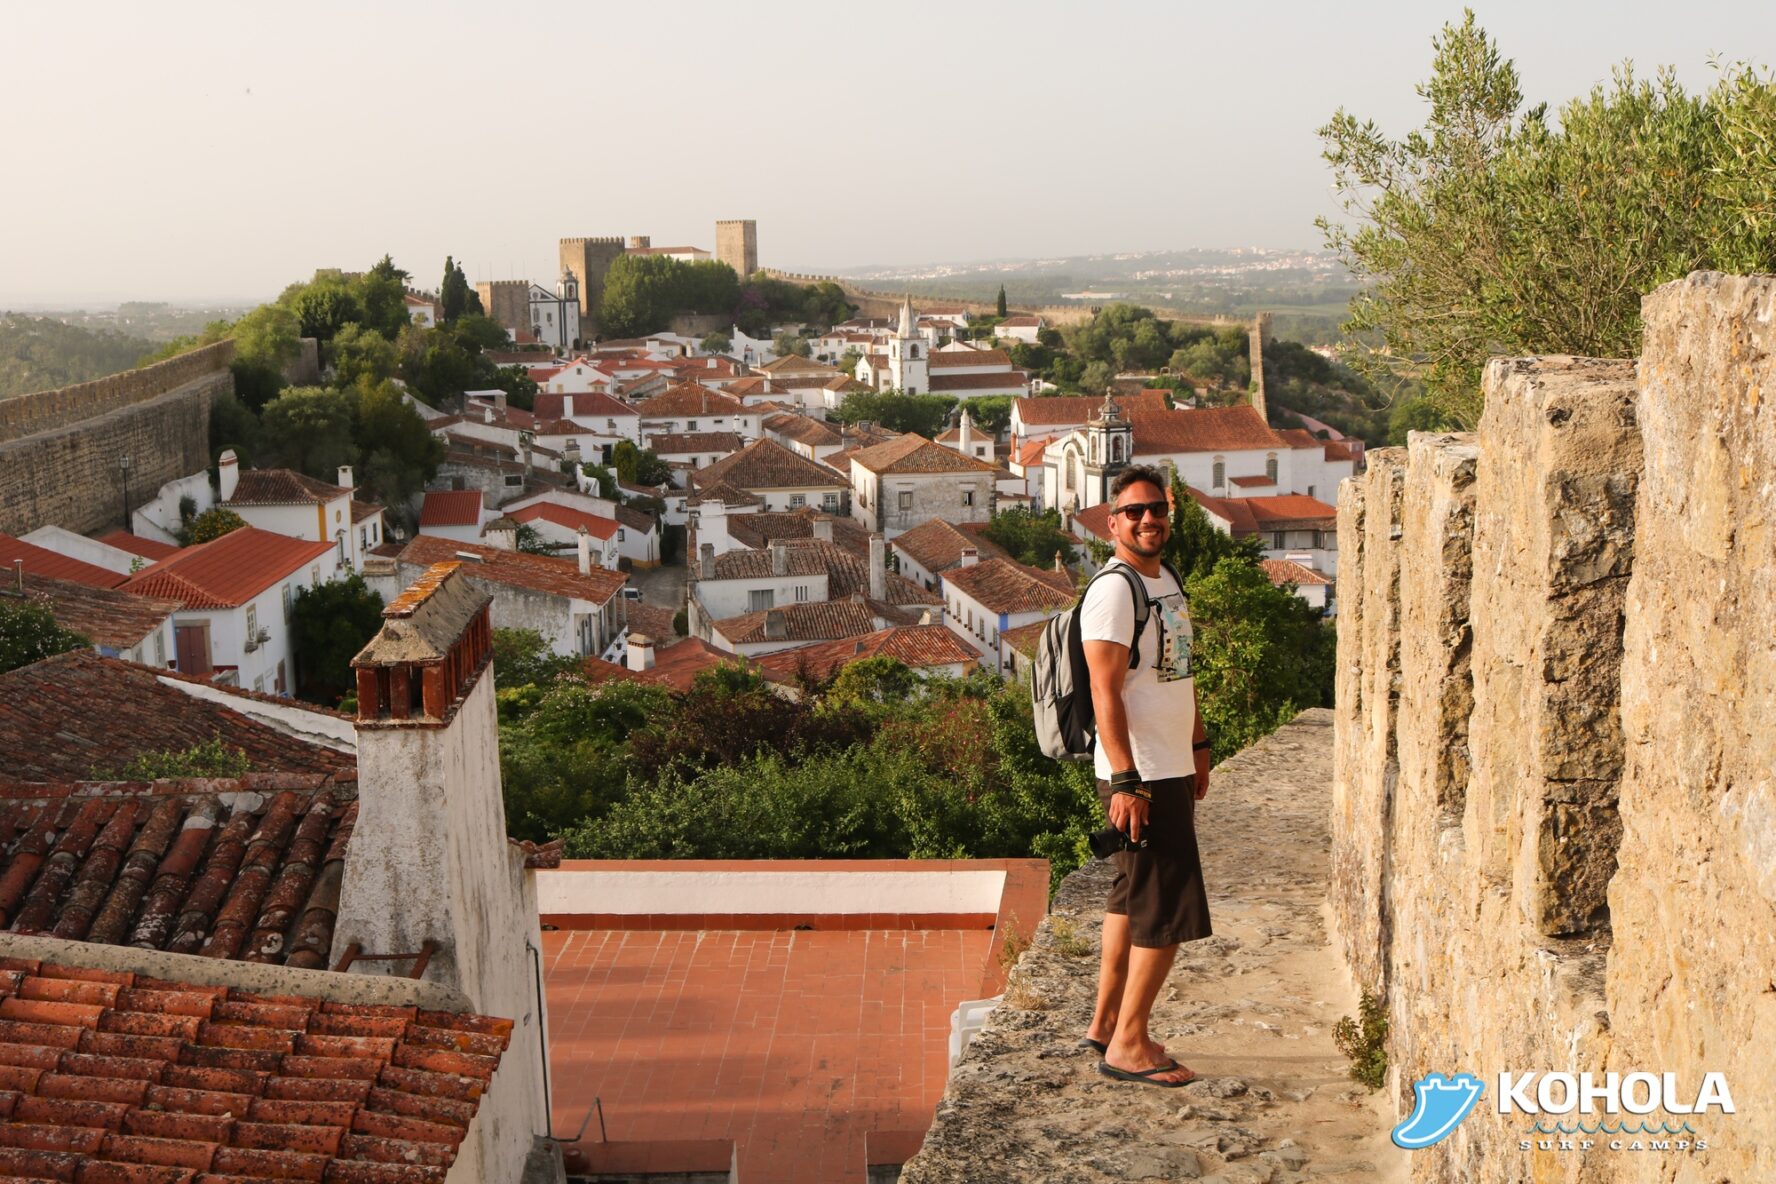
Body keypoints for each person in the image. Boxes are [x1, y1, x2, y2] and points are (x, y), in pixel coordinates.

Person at [1080, 464, 1213, 1087]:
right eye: (1133, 512)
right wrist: (1127, 781)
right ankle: (1130, 1045)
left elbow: (1177, 673)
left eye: (1156, 508)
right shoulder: (1115, 591)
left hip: (1170, 762)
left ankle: (1107, 1022)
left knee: (1130, 896)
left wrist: (1199, 744)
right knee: (1168, 904)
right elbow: (1104, 691)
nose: (1147, 519)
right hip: (1143, 773)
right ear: (1113, 523)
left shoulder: (1167, 580)